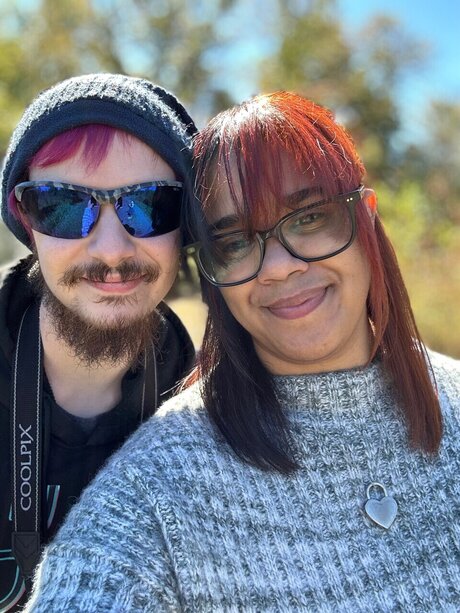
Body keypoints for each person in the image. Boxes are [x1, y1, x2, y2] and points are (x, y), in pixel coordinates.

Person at [25, 92, 460, 612]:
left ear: (365, 217)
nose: (278, 267)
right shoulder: (158, 489)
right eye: (233, 243)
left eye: (308, 218)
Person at [0, 73, 197, 611]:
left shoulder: (207, 405)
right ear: (26, 220)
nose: (111, 250)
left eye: (150, 205)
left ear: (186, 226)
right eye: (63, 206)